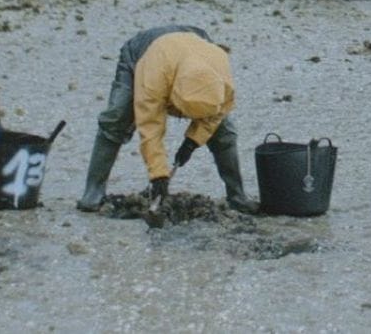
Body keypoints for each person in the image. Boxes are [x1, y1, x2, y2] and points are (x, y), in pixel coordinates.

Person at [76, 24, 257, 213]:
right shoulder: (154, 77)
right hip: (144, 52)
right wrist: (158, 174)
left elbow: (218, 113)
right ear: (173, 98)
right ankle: (93, 193)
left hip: (194, 42)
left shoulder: (221, 68)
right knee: (116, 118)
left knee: (223, 131)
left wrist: (193, 141)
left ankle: (237, 196)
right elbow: (150, 125)